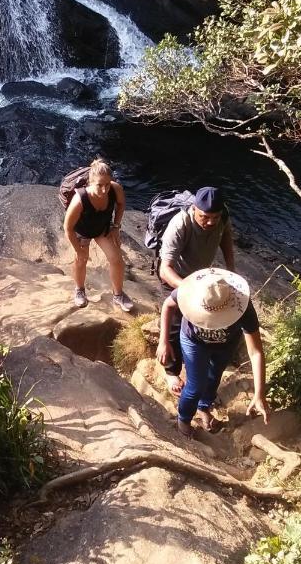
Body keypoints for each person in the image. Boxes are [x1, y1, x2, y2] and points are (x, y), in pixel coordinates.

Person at [157, 267, 269, 438]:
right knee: (195, 385)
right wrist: (163, 341)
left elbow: (255, 353)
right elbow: (168, 305)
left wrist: (259, 393)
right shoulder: (193, 290)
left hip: (226, 345)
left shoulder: (243, 307)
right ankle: (184, 418)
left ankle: (203, 407)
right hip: (193, 341)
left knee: (214, 376)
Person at [158, 186, 235, 396]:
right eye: (205, 217)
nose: (211, 222)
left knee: (203, 318)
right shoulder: (181, 224)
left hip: (202, 278)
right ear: (194, 209)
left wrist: (231, 270)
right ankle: (171, 369)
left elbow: (226, 236)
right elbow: (165, 269)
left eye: (215, 217)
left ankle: (200, 357)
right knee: (175, 321)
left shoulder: (223, 215)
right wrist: (188, 289)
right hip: (178, 277)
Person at [63, 158, 134, 312]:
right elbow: (67, 227)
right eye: (99, 185)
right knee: (81, 260)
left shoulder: (115, 190)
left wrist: (116, 226)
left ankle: (118, 295)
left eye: (107, 184)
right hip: (82, 231)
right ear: (90, 182)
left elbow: (121, 204)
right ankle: (79, 290)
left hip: (102, 228)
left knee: (117, 260)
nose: (104, 190)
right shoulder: (80, 199)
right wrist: (77, 249)